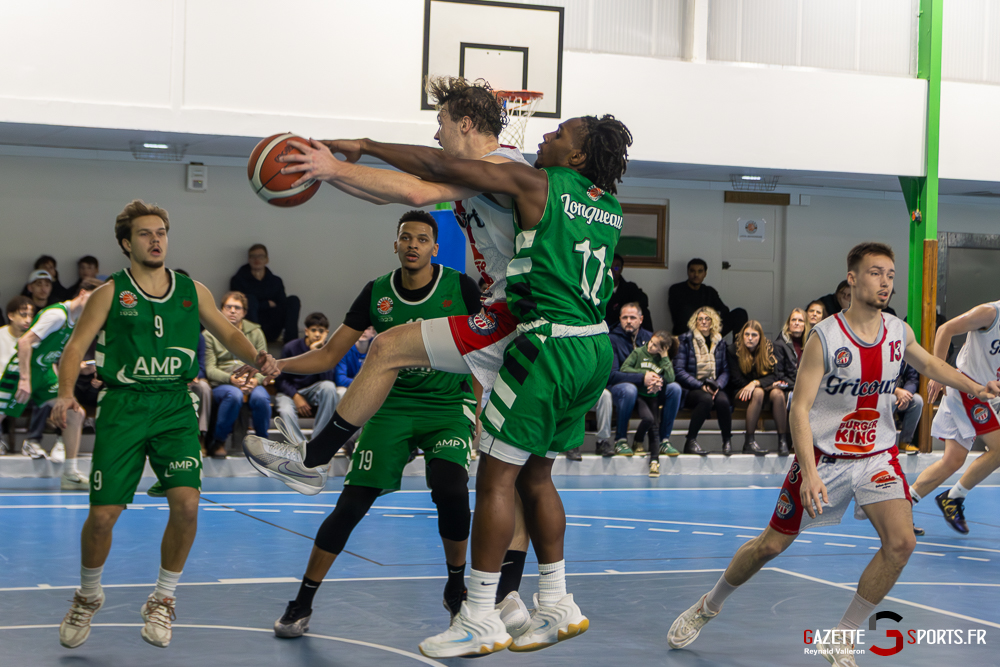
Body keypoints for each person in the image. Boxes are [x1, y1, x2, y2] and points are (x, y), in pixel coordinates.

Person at [245, 111, 633, 657]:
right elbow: (409, 188)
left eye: (559, 134)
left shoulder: (522, 175)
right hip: (592, 343)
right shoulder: (607, 204)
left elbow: (422, 176)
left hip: (532, 331)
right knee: (535, 479)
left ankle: (479, 613)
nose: (545, 135)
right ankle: (553, 601)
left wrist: (343, 158)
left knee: (493, 476)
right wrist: (339, 169)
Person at [242, 76, 537, 635]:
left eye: (443, 121)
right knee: (515, 472)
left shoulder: (501, 169)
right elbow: (397, 189)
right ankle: (511, 599)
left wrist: (341, 161)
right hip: (529, 325)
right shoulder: (485, 178)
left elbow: (416, 190)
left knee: (390, 346)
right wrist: (330, 175)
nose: (437, 131)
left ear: (466, 124)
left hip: (513, 316)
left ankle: (312, 461)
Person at [666, 242, 1000, 664]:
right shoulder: (825, 338)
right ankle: (708, 605)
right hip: (825, 457)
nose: (885, 282)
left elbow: (932, 366)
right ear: (853, 279)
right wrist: (808, 471)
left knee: (901, 545)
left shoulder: (899, 331)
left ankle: (841, 636)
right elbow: (799, 408)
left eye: (891, 275)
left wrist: (974, 386)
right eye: (876, 273)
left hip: (878, 455)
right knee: (769, 547)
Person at [51, 199, 276, 651]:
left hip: (174, 403)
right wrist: (64, 392)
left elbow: (228, 333)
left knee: (188, 505)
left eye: (161, 232)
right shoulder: (110, 293)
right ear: (125, 243)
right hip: (124, 406)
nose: (155, 240)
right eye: (144, 234)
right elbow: (76, 347)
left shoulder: (193, 290)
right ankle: (88, 595)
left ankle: (163, 598)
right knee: (102, 517)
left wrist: (258, 356)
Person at [247, 210, 483, 638]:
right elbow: (328, 355)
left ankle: (455, 589)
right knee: (351, 506)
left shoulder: (460, 287)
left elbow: (485, 348)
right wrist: (278, 362)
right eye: (405, 237)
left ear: (434, 247)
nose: (413, 244)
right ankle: (302, 602)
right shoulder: (377, 292)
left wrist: (481, 409)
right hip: (390, 407)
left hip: (447, 404)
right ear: (395, 244)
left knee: (450, 488)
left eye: (422, 238)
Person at [908, 301, 1000, 535]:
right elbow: (944, 330)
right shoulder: (989, 313)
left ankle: (903, 505)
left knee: (953, 460)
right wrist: (937, 374)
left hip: (986, 393)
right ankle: (954, 497)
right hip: (968, 389)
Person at [0, 279, 101, 488]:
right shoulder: (57, 315)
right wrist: (26, 380)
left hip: (46, 372)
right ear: (82, 293)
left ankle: (70, 474)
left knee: (75, 413)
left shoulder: (78, 321)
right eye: (93, 298)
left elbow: (61, 355)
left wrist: (74, 377)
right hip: (22, 370)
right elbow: (24, 342)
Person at [204, 291, 271, 459]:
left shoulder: (256, 333)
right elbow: (210, 369)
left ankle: (264, 444)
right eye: (229, 307)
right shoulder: (209, 334)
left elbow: (265, 366)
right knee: (233, 395)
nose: (233, 311)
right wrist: (231, 379)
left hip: (251, 381)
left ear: (244, 312)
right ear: (221, 310)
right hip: (223, 384)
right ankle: (218, 441)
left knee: (261, 398)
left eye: (237, 308)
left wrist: (256, 381)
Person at [274, 312, 340, 444]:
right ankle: (301, 447)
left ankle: (318, 443)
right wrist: (296, 396)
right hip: (290, 393)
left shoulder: (328, 351)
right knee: (285, 410)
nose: (317, 334)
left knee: (329, 387)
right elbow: (280, 380)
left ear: (326, 333)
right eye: (313, 330)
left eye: (321, 331)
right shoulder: (291, 348)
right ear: (306, 331)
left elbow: (328, 379)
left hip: (313, 391)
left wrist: (318, 353)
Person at [621, 330, 680, 477]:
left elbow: (671, 378)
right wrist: (644, 374)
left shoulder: (662, 359)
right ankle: (637, 440)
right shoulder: (639, 352)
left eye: (655, 346)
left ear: (662, 349)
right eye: (651, 342)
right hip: (639, 395)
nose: (650, 346)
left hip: (653, 396)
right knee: (648, 419)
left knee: (654, 427)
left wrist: (664, 359)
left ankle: (654, 463)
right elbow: (624, 369)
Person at [674, 307, 732, 455]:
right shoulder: (685, 340)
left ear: (713, 322)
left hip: (714, 385)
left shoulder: (720, 342)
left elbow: (725, 370)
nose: (704, 322)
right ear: (695, 321)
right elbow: (679, 371)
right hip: (692, 388)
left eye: (707, 319)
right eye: (700, 319)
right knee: (706, 400)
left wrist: (717, 385)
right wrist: (701, 385)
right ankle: (690, 441)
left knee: (723, 401)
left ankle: (727, 441)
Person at [727, 320, 790, 457]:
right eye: (747, 334)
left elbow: (775, 375)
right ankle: (749, 442)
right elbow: (735, 379)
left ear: (760, 337)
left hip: (762, 388)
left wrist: (756, 383)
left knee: (778, 394)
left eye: (754, 335)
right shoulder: (733, 350)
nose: (750, 338)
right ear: (742, 335)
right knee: (758, 392)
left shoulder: (768, 348)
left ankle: (783, 441)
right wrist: (756, 385)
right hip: (740, 392)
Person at [230, 244, 302, 344]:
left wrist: (259, 304)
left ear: (266, 260)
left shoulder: (275, 281)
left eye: (260, 256)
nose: (257, 259)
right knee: (249, 299)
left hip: (273, 326)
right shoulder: (238, 280)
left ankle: (292, 343)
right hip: (251, 327)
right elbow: (239, 306)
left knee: (293, 300)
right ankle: (255, 340)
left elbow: (281, 304)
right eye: (253, 256)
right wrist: (267, 304)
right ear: (249, 259)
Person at [605, 302, 651, 457]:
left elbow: (659, 366)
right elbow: (612, 375)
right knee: (629, 389)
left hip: (645, 388)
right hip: (618, 388)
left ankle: (663, 441)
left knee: (673, 389)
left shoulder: (649, 338)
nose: (629, 321)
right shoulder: (611, 339)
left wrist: (656, 380)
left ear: (641, 319)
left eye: (633, 317)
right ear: (620, 319)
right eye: (625, 318)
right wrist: (642, 377)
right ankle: (620, 440)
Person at [668, 258, 747, 338]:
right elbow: (681, 316)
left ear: (705, 274)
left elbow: (724, 310)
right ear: (688, 272)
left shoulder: (709, 291)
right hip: (688, 333)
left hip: (709, 331)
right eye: (692, 271)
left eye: (700, 271)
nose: (696, 275)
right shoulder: (676, 289)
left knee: (740, 313)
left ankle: (738, 348)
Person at [0, 296, 36, 454]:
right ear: (11, 315)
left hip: (26, 387)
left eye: (30, 315)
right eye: (23, 314)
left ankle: (34, 442)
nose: (28, 319)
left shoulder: (35, 340)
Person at [773, 308, 809, 455]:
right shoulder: (780, 344)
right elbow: (779, 374)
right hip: (789, 387)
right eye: (793, 320)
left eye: (800, 320)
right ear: (788, 325)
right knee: (793, 399)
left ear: (805, 324)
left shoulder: (810, 344)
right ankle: (786, 442)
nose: (796, 323)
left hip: (806, 387)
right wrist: (799, 386)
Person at [604, 253, 652, 332]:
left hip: (627, 325)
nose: (612, 271)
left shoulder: (629, 287)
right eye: (609, 268)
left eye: (616, 268)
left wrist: (633, 306)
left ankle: (647, 339)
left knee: (643, 310)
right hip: (609, 326)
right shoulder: (599, 290)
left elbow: (643, 298)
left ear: (621, 269)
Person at [333, 326, 374, 401]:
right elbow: (340, 380)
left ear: (373, 332)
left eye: (367, 328)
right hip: (349, 387)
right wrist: (362, 383)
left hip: (370, 388)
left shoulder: (378, 349)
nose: (363, 331)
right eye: (360, 327)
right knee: (341, 392)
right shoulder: (344, 348)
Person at [893, 361, 923, 455]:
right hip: (882, 393)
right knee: (890, 400)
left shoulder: (906, 354)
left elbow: (912, 379)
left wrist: (906, 394)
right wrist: (896, 391)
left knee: (917, 401)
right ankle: (888, 444)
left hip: (901, 394)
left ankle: (905, 442)